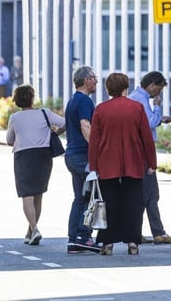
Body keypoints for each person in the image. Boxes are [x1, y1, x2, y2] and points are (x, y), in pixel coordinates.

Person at [88, 72, 158, 256]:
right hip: (133, 161)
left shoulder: (101, 110)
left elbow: (94, 141)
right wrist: (151, 163)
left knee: (109, 203)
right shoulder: (136, 108)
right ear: (126, 88)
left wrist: (93, 166)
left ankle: (108, 242)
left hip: (107, 163)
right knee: (133, 203)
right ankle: (133, 242)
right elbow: (146, 138)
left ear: (108, 89)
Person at [6, 84, 65, 246]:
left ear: (17, 100)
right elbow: (65, 123)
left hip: (23, 157)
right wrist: (53, 134)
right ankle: (30, 232)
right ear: (32, 98)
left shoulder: (14, 118)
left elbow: (9, 141)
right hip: (43, 156)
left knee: (26, 195)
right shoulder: (44, 113)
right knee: (38, 195)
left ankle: (35, 229)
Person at [128, 70, 171, 244]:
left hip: (138, 150)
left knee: (143, 194)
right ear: (152, 85)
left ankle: (135, 230)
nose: (159, 94)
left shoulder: (136, 97)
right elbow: (149, 122)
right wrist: (157, 107)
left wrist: (160, 118)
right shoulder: (141, 99)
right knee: (151, 193)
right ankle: (158, 232)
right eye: (159, 90)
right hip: (143, 150)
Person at [64, 65, 100, 253]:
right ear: (86, 80)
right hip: (82, 156)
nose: (96, 81)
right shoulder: (85, 101)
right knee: (89, 197)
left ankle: (73, 239)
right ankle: (84, 237)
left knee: (79, 198)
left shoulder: (73, 100)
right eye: (94, 77)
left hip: (72, 155)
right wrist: (97, 148)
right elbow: (85, 125)